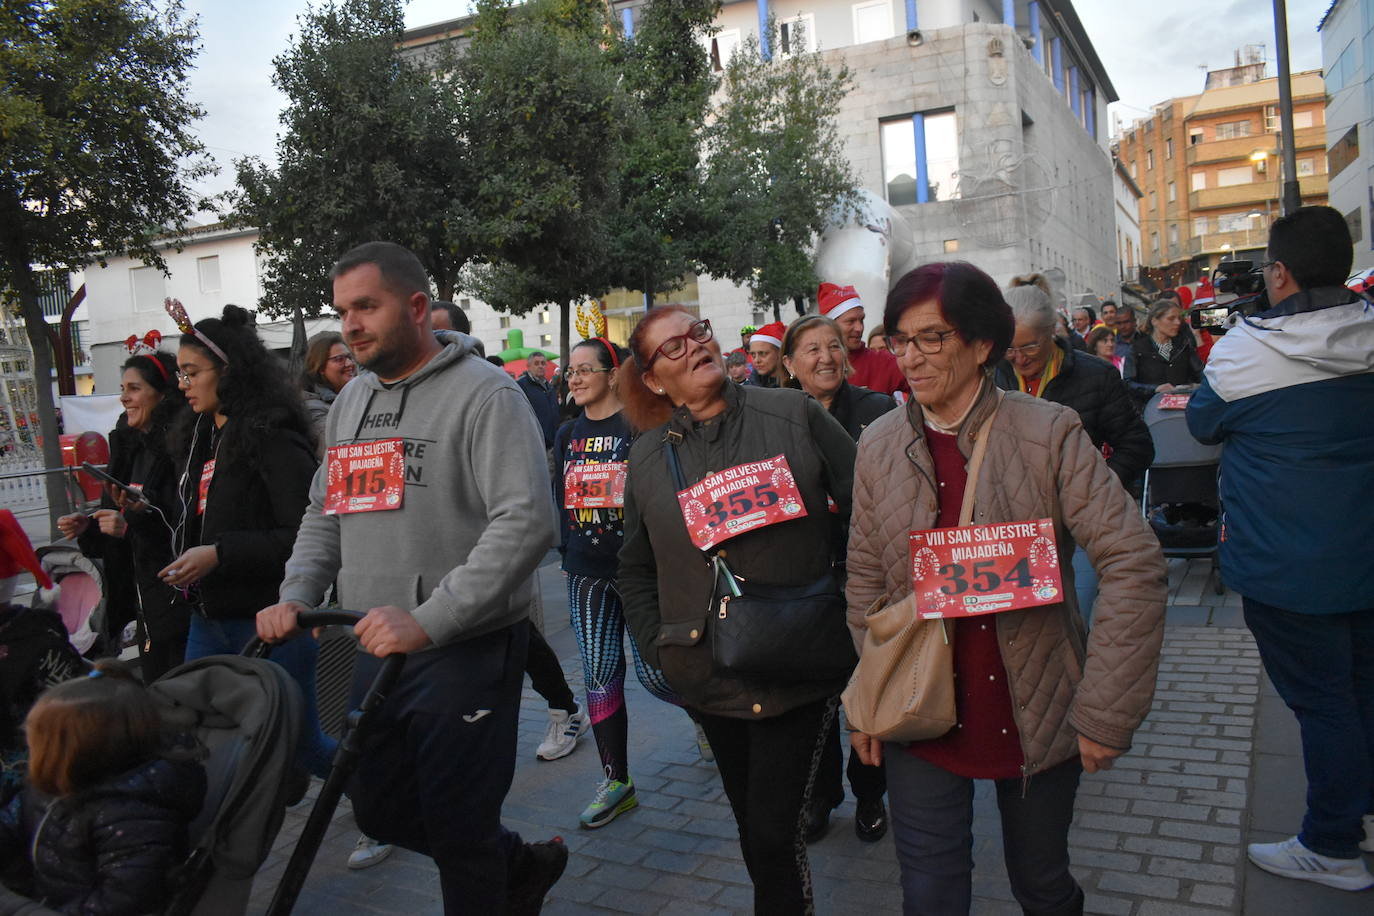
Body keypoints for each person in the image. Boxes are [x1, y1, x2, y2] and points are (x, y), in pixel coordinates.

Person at [847, 261, 1167, 915]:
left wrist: (1107, 707)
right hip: (919, 712)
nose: (912, 356)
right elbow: (866, 582)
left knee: (1042, 885)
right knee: (930, 893)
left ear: (981, 344)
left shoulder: (1048, 432)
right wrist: (868, 697)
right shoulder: (878, 444)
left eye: (931, 337)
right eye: (900, 340)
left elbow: (1132, 561)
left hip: (1035, 708)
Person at [256, 241, 566, 913]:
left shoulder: (488, 395)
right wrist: (295, 595)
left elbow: (526, 523)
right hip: (376, 644)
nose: (351, 326)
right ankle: (515, 864)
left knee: (458, 827)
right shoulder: (351, 402)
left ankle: (495, 873)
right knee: (380, 807)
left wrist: (429, 619)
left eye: (367, 306)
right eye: (342, 311)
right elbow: (325, 511)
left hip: (463, 648)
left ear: (419, 306)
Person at [618, 306, 857, 913]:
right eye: (672, 348)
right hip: (706, 673)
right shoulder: (647, 459)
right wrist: (660, 644)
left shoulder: (793, 414)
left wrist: (846, 607)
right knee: (755, 829)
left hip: (797, 666)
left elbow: (870, 516)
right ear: (652, 379)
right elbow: (635, 566)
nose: (694, 346)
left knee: (776, 832)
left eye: (697, 332)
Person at [1187, 205, 1374, 891]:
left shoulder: (1248, 351)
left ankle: (1331, 844)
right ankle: (1361, 812)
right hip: (1364, 559)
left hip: (1289, 569)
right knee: (1362, 694)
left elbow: (1204, 423)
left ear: (1280, 272)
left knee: (1324, 705)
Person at [159, 303, 336, 781]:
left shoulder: (270, 435)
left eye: (192, 372)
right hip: (208, 619)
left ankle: (379, 798)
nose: (183, 384)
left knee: (304, 745)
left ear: (228, 371)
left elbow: (306, 534)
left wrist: (220, 554)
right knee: (202, 739)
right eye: (180, 373)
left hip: (269, 621)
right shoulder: (199, 438)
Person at [554, 337, 684, 828]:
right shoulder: (568, 434)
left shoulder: (641, 428)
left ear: (613, 374)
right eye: (571, 372)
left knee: (654, 674)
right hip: (585, 574)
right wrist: (568, 555)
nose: (576, 378)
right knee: (599, 675)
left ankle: (705, 715)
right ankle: (617, 781)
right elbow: (563, 500)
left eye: (586, 369)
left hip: (638, 572)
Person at [780, 314, 895, 843]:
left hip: (865, 576)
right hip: (799, 581)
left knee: (867, 690)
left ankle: (871, 795)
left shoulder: (877, 410)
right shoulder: (772, 420)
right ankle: (819, 798)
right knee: (812, 701)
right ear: (788, 365)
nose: (826, 357)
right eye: (811, 349)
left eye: (833, 346)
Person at [996, 283, 1154, 624]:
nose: (1019, 359)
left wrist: (1097, 487)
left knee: (1075, 618)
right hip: (1013, 526)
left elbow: (1137, 445)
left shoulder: (1096, 376)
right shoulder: (992, 376)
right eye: (1009, 349)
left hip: (1077, 524)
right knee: (1027, 629)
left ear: (1052, 333)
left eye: (1030, 347)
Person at [0, 659, 206, 916]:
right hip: (45, 897)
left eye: (39, 745)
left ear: (80, 752)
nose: (31, 753)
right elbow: (10, 823)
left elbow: (124, 903)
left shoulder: (132, 816)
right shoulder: (53, 786)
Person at [57, 350, 191, 682]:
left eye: (133, 388)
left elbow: (182, 525)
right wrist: (89, 525)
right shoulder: (128, 448)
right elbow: (115, 521)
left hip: (177, 598)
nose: (123, 398)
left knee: (179, 692)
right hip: (141, 599)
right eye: (122, 388)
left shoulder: (182, 448)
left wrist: (131, 525)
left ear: (160, 394)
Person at [818, 282, 907, 397]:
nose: (859, 328)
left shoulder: (883, 362)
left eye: (861, 320)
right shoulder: (815, 363)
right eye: (850, 321)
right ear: (830, 325)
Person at [1123, 299, 1203, 408]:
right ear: (1154, 321)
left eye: (1179, 318)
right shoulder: (1137, 349)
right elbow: (1128, 384)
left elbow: (1201, 375)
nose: (1177, 322)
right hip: (1150, 412)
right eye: (1171, 318)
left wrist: (1192, 386)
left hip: (1183, 411)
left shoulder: (1184, 346)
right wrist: (1155, 389)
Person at [301, 331, 356, 457]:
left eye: (350, 357)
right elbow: (337, 451)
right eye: (339, 359)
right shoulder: (312, 409)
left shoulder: (358, 394)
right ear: (320, 368)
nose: (349, 364)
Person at [518, 351, 560, 453]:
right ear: (528, 366)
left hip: (553, 442)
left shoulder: (549, 386)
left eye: (543, 363)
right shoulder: (521, 386)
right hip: (535, 445)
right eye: (536, 363)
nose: (540, 366)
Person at [745, 321, 789, 388]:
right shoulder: (747, 389)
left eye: (763, 354)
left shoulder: (799, 385)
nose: (756, 360)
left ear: (780, 353)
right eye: (753, 355)